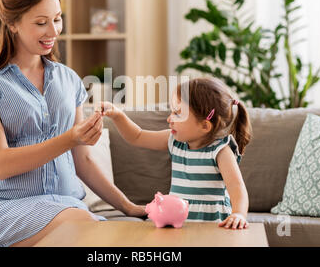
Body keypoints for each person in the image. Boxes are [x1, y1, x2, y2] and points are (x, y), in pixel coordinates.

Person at [0, 0, 145, 247]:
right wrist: (71, 138)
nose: (54, 31)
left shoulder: (68, 79)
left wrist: (129, 207)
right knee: (86, 229)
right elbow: (1, 164)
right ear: (12, 24)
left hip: (63, 203)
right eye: (41, 23)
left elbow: (84, 161)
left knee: (98, 231)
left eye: (57, 19)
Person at [101, 77, 252, 229]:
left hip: (213, 227)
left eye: (178, 114)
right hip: (179, 226)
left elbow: (237, 188)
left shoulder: (220, 151)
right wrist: (118, 115)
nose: (169, 119)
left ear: (205, 126)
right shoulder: (174, 141)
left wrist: (239, 214)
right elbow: (137, 136)